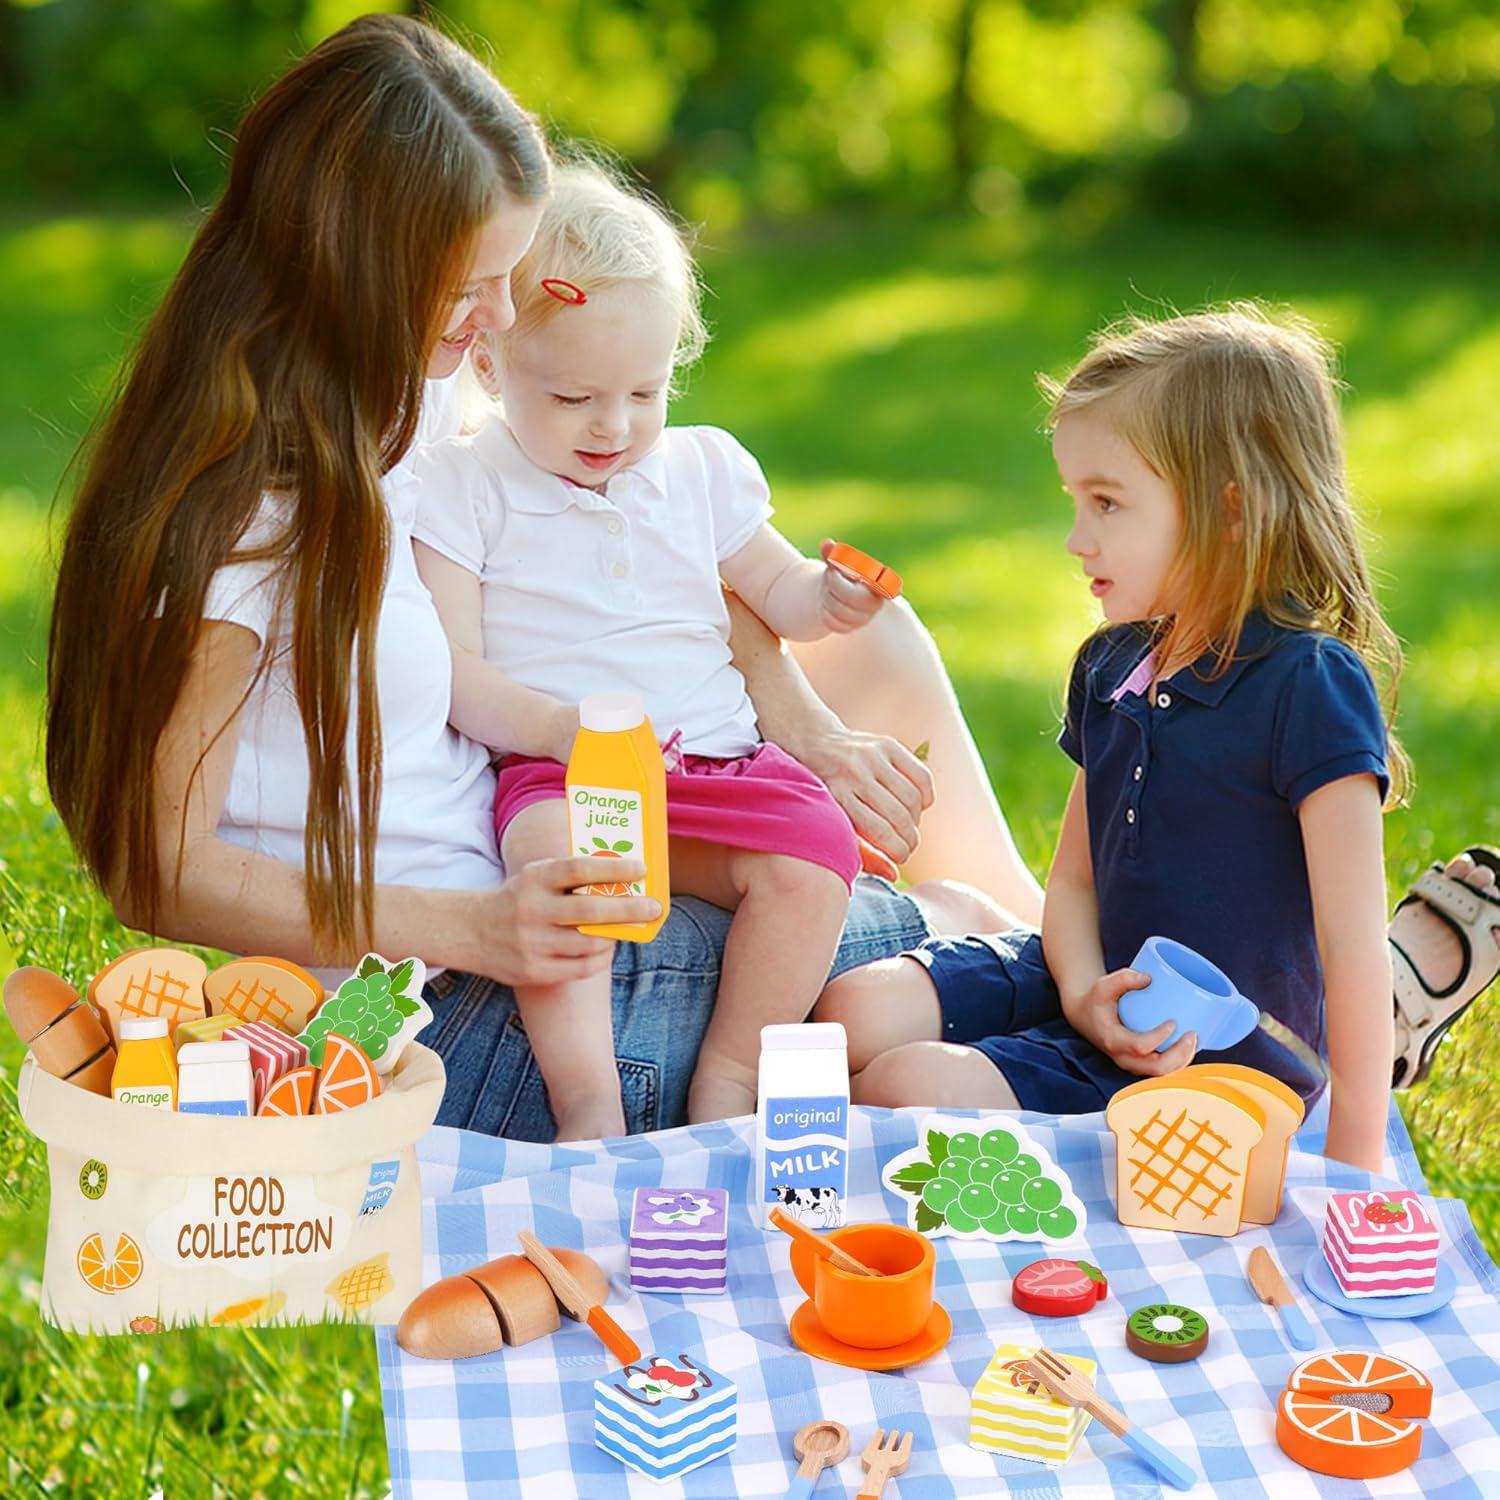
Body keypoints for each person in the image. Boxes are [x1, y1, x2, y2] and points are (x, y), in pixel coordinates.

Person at [39, 14, 1039, 1144]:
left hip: (544, 881)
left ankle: (1057, 966)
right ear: (354, 266)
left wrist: (801, 722)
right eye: (473, 285)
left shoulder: (395, 400)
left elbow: (646, 555)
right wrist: (477, 927)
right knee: (956, 942)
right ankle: (1083, 994)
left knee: (876, 651)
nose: (505, 318)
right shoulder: (246, 518)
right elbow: (149, 867)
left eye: (512, 276)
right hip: (459, 1004)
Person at [817, 306, 1499, 1173]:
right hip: (1095, 984)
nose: (1076, 538)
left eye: (1106, 503)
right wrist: (1080, 992)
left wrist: (1357, 1156)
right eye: (1075, 501)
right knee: (844, 1016)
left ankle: (1391, 1036)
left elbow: (1350, 944)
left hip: (1210, 1056)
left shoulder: (1310, 688)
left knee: (902, 1084)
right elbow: (1070, 882)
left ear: (1230, 511)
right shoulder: (1113, 666)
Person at [403, 163, 892, 1137]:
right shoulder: (468, 486)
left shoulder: (701, 469)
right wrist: (556, 728)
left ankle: (729, 1077)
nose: (614, 426)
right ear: (491, 367)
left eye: (644, 390)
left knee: (817, 854)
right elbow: (454, 672)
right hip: (569, 771)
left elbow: (777, 590)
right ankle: (586, 1096)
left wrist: (827, 599)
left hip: (720, 762)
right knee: (553, 870)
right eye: (576, 396)